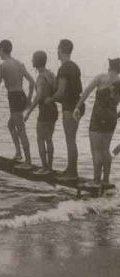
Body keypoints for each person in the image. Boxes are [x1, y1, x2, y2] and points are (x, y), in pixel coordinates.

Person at [0, 40, 34, 169]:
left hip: (14, 97)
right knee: (11, 125)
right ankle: (18, 153)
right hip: (21, 95)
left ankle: (28, 162)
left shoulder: (2, 67)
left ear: (1, 50)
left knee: (21, 129)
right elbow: (32, 82)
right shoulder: (19, 64)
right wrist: (28, 99)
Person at [73, 58, 120, 187]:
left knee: (96, 150)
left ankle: (96, 181)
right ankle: (106, 180)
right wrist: (116, 115)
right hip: (111, 117)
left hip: (98, 117)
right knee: (105, 149)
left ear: (110, 66)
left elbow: (86, 93)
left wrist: (77, 107)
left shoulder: (101, 77)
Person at [45, 39, 83, 180]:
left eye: (58, 48)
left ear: (61, 50)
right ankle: (70, 169)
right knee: (71, 139)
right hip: (77, 105)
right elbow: (73, 90)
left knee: (70, 139)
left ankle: (72, 173)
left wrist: (50, 99)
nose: (57, 51)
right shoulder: (74, 66)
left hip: (70, 107)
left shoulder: (64, 68)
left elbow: (61, 92)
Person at [24, 51, 58, 175]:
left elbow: (39, 96)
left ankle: (44, 167)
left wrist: (29, 112)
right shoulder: (51, 74)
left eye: (33, 58)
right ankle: (50, 166)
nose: (32, 60)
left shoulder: (41, 77)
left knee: (40, 138)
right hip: (53, 109)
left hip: (45, 110)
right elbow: (55, 90)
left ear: (37, 61)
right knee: (49, 139)